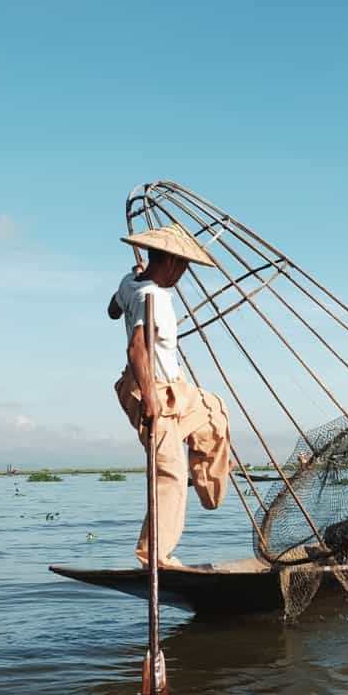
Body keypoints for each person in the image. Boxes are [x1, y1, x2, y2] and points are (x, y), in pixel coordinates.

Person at [108, 223, 232, 568]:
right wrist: (150, 399)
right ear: (172, 263)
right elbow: (136, 349)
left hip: (172, 385)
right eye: (183, 267)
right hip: (151, 388)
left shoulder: (130, 283)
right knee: (170, 474)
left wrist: (132, 285)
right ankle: (155, 556)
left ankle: (209, 489)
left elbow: (112, 310)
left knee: (213, 410)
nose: (183, 274)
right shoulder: (154, 297)